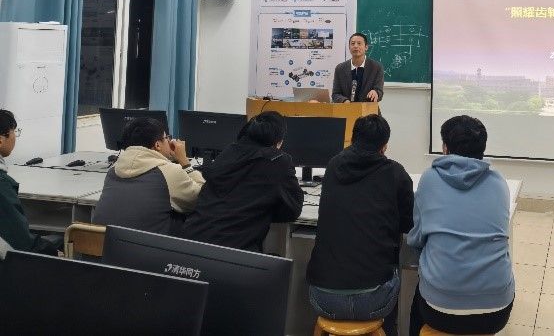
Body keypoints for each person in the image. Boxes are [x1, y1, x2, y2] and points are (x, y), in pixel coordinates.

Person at [307, 114, 414, 336]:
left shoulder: (333, 166)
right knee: (394, 264)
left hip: (324, 300)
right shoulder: (396, 173)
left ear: (353, 138)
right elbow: (407, 224)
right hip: (374, 301)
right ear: (384, 146)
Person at [408, 115, 514, 336]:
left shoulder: (429, 179)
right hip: (496, 312)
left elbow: (416, 238)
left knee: (417, 305)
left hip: (440, 311)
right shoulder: (499, 183)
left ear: (445, 148)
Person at [182, 111, 303, 252]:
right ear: (279, 141)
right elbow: (293, 209)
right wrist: (265, 211)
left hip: (189, 243)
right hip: (233, 252)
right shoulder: (277, 161)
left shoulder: (228, 152)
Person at [93, 117, 204, 236]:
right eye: (166, 138)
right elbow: (202, 198)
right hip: (150, 246)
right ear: (157, 145)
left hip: (104, 244)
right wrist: (185, 162)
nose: (169, 141)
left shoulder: (114, 169)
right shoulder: (168, 171)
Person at [0, 110, 62, 255]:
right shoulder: (2, 185)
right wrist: (53, 252)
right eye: (14, 131)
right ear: (1, 140)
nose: (15, 137)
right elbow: (22, 242)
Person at [331, 33, 384, 103]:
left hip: (368, 109)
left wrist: (376, 92)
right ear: (349, 47)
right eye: (353, 43)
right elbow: (335, 94)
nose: (355, 46)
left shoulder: (376, 67)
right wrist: (344, 101)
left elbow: (379, 91)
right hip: (346, 108)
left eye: (359, 43)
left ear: (366, 47)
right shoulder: (340, 68)